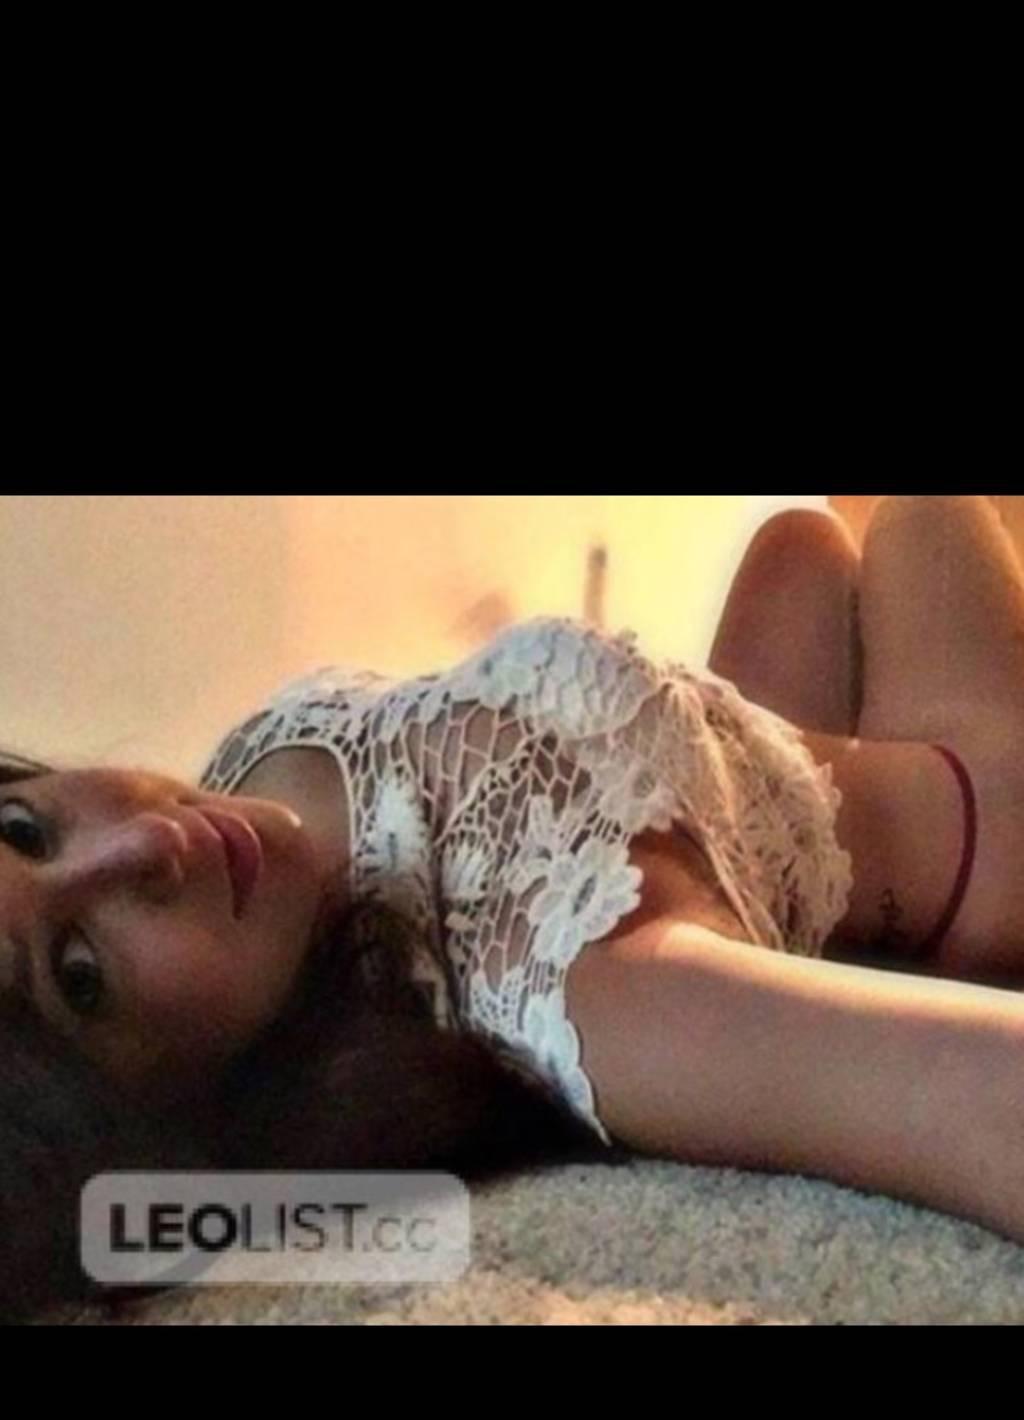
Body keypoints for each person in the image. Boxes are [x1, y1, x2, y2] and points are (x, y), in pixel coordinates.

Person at [1, 495, 1021, 1320]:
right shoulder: (560, 976)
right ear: (135, 1131)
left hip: (757, 766)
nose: (144, 846)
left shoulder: (248, 794)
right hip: (978, 816)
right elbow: (987, 1099)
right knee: (923, 510)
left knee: (796, 545)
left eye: (25, 830)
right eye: (81, 972)